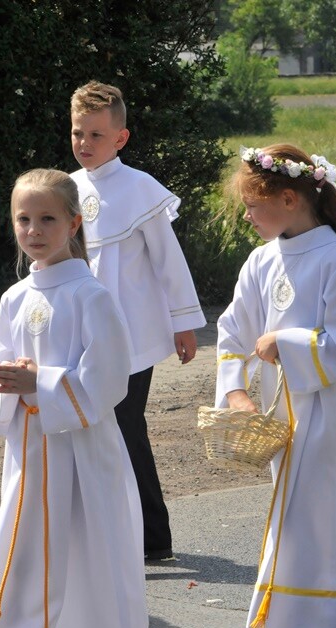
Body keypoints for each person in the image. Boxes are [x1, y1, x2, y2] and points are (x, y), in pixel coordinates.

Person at [0, 168, 146, 628]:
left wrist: (41, 383)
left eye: (47, 219)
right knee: (21, 550)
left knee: (86, 554)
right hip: (29, 451)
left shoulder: (91, 295)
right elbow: (0, 372)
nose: (34, 230)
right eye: (23, 219)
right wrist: (8, 384)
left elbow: (109, 379)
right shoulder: (13, 299)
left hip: (82, 454)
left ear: (73, 224)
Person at [218, 147, 336, 628]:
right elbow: (232, 332)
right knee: (294, 522)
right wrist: (236, 392)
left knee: (324, 519)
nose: (246, 216)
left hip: (326, 414)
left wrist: (284, 342)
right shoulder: (261, 261)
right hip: (278, 416)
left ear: (289, 199)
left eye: (252, 205)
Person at [69, 81, 205, 560]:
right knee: (88, 425)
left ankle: (153, 536)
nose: (85, 143)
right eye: (78, 132)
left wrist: (183, 322)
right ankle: (103, 527)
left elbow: (169, 260)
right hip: (83, 329)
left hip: (132, 332)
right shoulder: (67, 187)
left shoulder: (140, 188)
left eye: (96, 135)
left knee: (126, 424)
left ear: (120, 138)